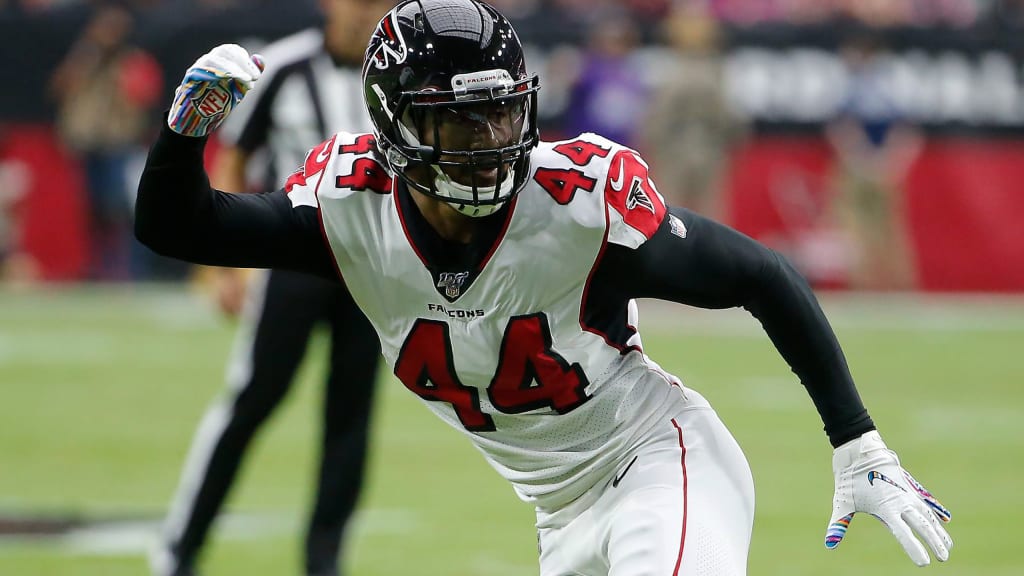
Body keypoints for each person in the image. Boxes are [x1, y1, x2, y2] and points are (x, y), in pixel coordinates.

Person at [136, 1, 953, 574]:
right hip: (558, 518)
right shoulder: (351, 212)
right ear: (396, 131)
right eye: (459, 121)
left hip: (656, 464)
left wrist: (857, 441)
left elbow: (759, 274)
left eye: (501, 114)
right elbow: (179, 226)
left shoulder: (574, 207)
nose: (490, 141)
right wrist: (185, 135)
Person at [149, 2, 392, 576]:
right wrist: (223, 266)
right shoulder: (284, 66)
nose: (367, 14)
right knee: (252, 401)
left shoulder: (400, 74)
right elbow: (234, 155)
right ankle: (180, 549)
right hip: (294, 262)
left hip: (376, 271)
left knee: (351, 418)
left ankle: (323, 562)